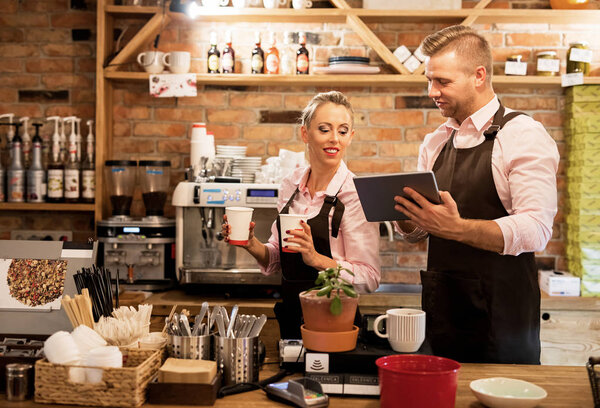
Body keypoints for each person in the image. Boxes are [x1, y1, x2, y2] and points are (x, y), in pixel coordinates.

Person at [394, 25, 559, 364]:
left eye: (443, 81)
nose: (432, 91)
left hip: (503, 319)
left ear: (479, 76)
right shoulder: (435, 142)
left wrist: (457, 228)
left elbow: (536, 230)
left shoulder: (523, 135)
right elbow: (422, 232)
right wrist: (410, 221)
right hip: (444, 314)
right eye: (429, 80)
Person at [222, 91, 381, 339]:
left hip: (334, 325)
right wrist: (250, 242)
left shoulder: (356, 195)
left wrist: (316, 259)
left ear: (351, 137)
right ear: (305, 133)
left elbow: (369, 277)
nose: (334, 140)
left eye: (342, 131)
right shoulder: (291, 185)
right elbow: (277, 257)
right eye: (324, 129)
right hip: (292, 318)